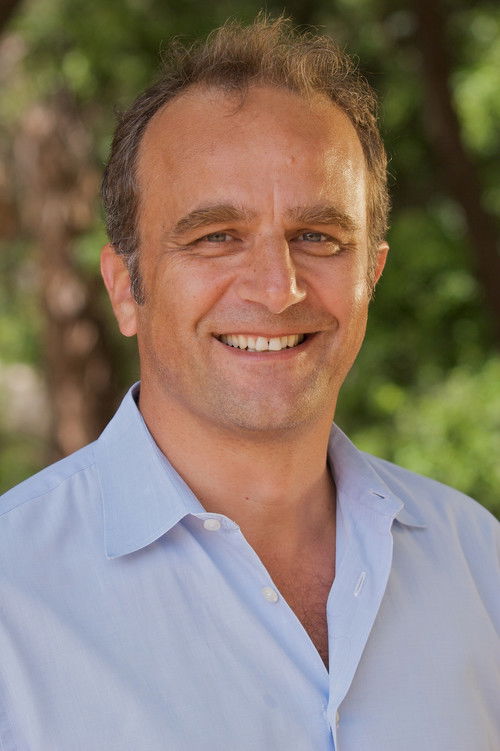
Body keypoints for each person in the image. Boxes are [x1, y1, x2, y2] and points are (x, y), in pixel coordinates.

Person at [0, 16, 498, 751]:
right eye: (216, 237)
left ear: (372, 275)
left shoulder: (478, 561)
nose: (277, 288)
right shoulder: (13, 596)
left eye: (318, 237)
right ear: (125, 289)